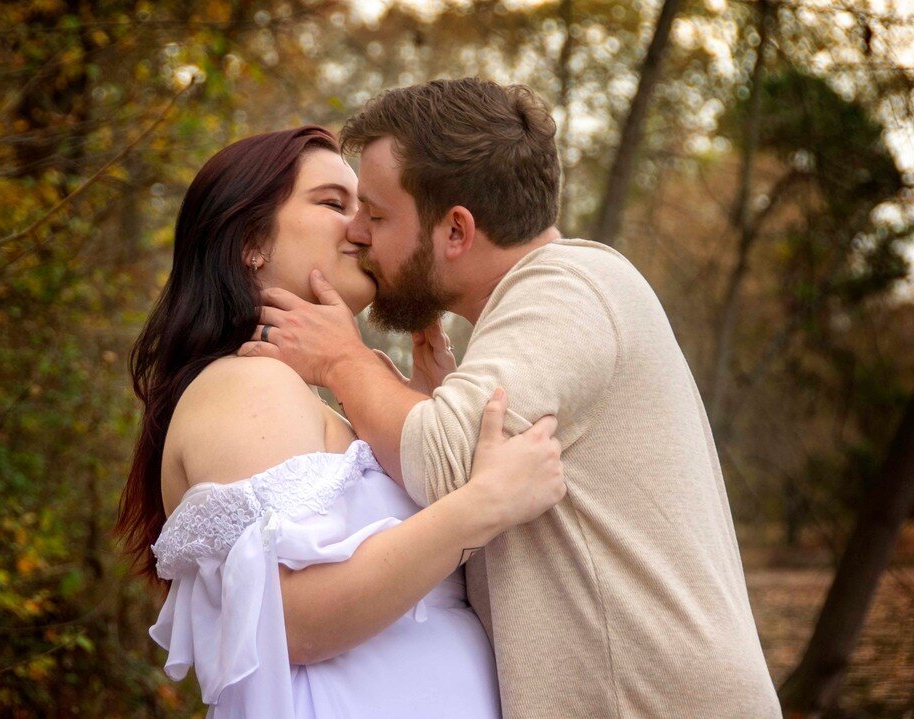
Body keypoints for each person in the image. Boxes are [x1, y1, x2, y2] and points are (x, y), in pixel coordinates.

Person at [240, 79, 783, 718]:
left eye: (378, 215)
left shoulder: (571, 287)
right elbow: (472, 494)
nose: (358, 233)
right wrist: (426, 398)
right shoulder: (544, 306)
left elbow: (443, 463)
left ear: (456, 232)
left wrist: (344, 360)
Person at [114, 125, 568, 719]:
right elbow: (291, 623)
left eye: (367, 210)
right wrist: (481, 507)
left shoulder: (304, 397)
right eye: (333, 203)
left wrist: (429, 415)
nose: (362, 228)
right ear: (250, 240)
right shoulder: (248, 381)